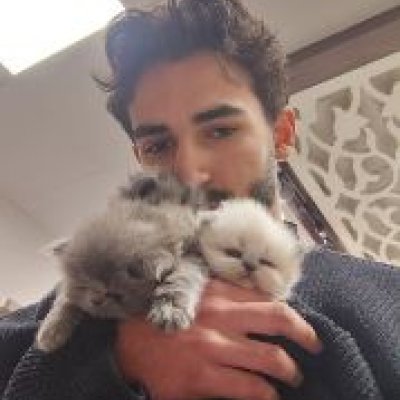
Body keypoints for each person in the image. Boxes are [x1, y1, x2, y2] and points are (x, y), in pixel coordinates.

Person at [1, 1, 399, 399]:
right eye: (158, 145)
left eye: (220, 131)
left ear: (281, 134)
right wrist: (108, 361)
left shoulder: (386, 295)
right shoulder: (85, 293)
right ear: (141, 157)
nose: (189, 174)